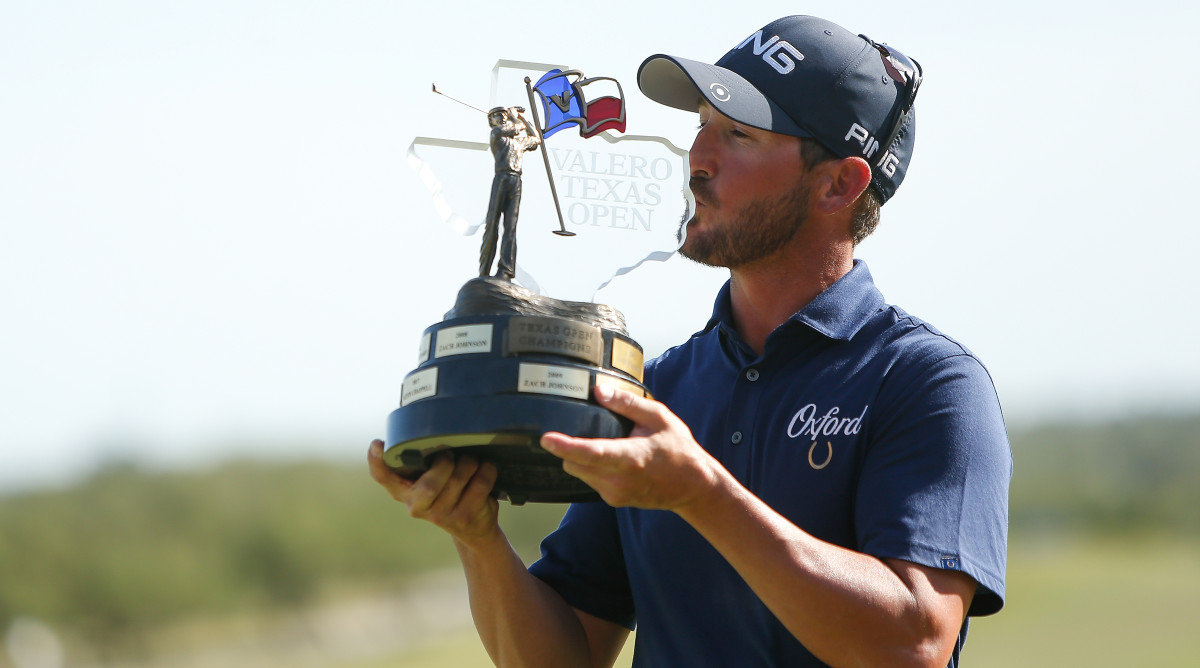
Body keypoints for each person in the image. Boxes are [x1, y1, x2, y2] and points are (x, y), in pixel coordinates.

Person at [369, 15, 1010, 668]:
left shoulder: (928, 384)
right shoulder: (662, 389)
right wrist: (478, 539)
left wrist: (699, 493)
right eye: (701, 123)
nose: (698, 159)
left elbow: (916, 642)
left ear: (839, 184)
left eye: (738, 134)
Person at [479, 105, 540, 279]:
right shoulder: (496, 134)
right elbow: (514, 128)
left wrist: (524, 118)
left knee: (510, 227)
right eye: (497, 115)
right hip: (501, 178)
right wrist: (515, 117)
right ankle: (484, 271)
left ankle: (505, 270)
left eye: (504, 115)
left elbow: (536, 139)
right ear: (491, 121)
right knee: (492, 224)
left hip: (516, 180)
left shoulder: (518, 143)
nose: (502, 117)